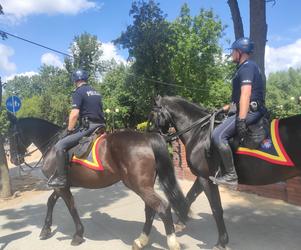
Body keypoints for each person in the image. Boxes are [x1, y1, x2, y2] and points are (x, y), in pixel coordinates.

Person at [209, 37, 266, 186]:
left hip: (250, 112)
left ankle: (230, 175)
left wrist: (241, 120)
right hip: (246, 109)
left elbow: (246, 94)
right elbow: (238, 99)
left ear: (240, 51)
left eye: (233, 51)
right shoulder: (244, 68)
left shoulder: (247, 67)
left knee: (218, 135)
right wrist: (224, 108)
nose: (231, 54)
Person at [48, 69, 105, 188]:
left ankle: (62, 179)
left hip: (88, 127)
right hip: (100, 125)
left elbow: (74, 114)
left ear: (75, 80)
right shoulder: (95, 91)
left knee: (60, 145)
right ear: (85, 79)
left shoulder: (78, 92)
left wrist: (69, 130)